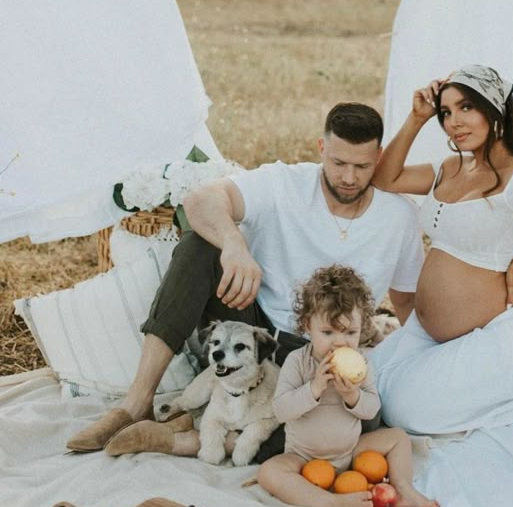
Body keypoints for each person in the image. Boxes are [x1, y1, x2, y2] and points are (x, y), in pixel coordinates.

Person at [67, 102, 425, 455]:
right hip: (252, 329)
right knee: (200, 247)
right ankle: (136, 403)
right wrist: (234, 245)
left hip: (323, 353)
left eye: (362, 166)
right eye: (338, 163)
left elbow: (408, 301)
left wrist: (419, 362)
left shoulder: (399, 217)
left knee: (331, 429)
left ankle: (185, 438)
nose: (349, 178)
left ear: (379, 157)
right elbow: (200, 200)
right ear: (321, 149)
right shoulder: (285, 183)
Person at [367, 64, 513, 435]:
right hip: (428, 332)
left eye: (466, 108)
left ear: (494, 110)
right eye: (446, 112)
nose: (454, 122)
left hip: (497, 338)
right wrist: (416, 119)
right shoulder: (450, 167)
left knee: (404, 412)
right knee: (365, 384)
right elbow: (385, 179)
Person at [257, 264, 439, 507]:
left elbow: (372, 408)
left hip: (350, 451)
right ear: (307, 326)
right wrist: (314, 388)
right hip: (303, 456)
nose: (340, 342)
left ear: (362, 328)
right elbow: (281, 410)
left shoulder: (361, 362)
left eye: (350, 332)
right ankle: (331, 502)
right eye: (328, 332)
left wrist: (352, 396)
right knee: (269, 472)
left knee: (398, 437)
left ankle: (403, 489)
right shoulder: (298, 361)